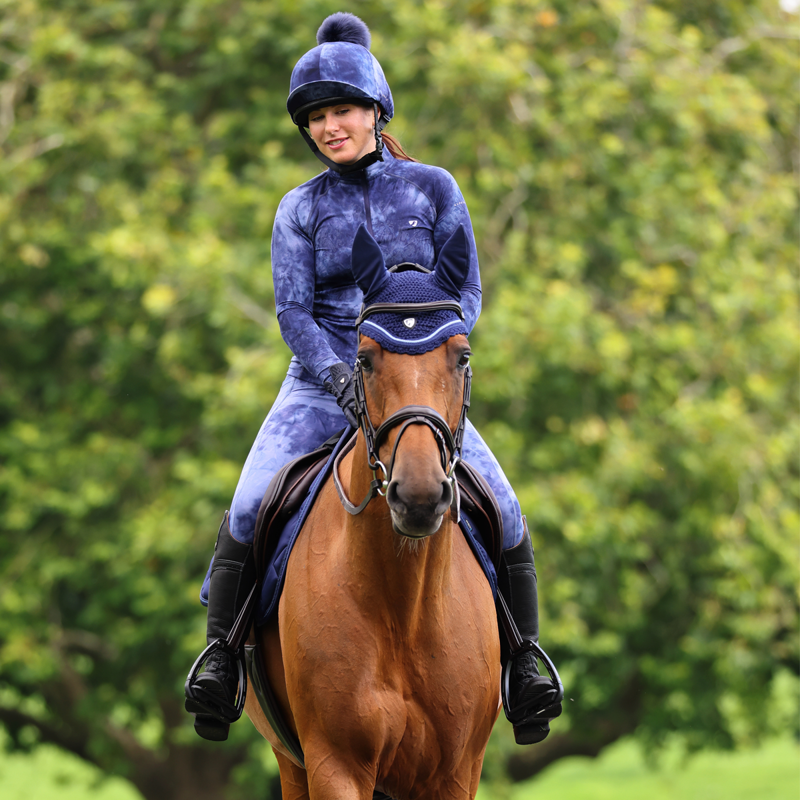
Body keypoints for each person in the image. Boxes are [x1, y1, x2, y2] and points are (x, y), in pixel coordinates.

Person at [185, 12, 561, 746]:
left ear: (376, 111)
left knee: (506, 511)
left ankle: (525, 665)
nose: (330, 127)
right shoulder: (299, 208)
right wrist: (337, 376)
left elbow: (469, 294)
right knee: (246, 506)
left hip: (415, 382)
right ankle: (222, 660)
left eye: (343, 111)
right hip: (320, 381)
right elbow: (294, 313)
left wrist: (427, 353)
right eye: (317, 117)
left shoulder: (433, 187)